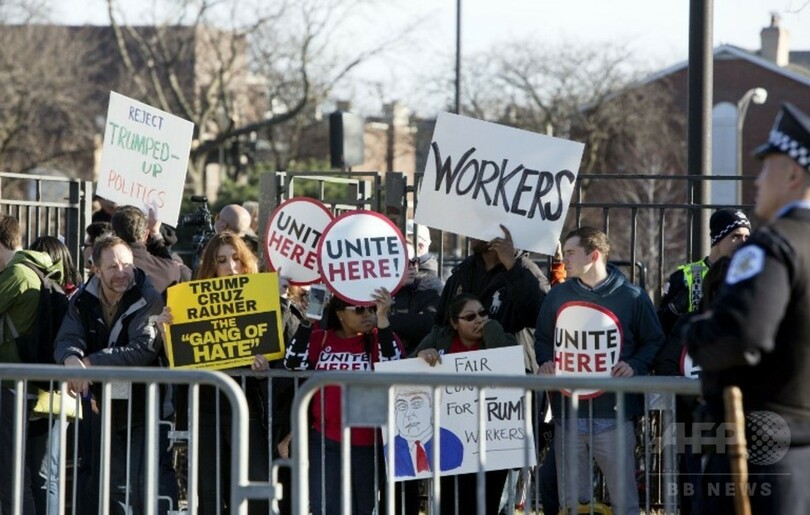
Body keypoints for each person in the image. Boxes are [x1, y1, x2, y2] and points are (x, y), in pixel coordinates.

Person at [684, 102, 810, 515]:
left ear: (793, 173)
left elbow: (740, 334)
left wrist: (697, 331)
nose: (757, 180)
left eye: (767, 166)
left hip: (766, 452)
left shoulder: (773, 247)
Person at [535, 226, 664, 515]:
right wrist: (546, 361)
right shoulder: (557, 296)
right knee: (572, 505)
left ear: (593, 255)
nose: (563, 259)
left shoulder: (632, 297)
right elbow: (543, 338)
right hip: (568, 416)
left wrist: (635, 365)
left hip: (615, 418)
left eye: (570, 253)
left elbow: (654, 340)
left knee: (625, 503)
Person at [155, 231, 271, 514]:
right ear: (211, 266)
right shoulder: (188, 303)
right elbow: (178, 364)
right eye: (222, 260)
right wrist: (166, 333)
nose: (230, 267)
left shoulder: (263, 298)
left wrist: (266, 368)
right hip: (206, 410)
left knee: (252, 491)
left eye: (236, 259)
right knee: (210, 493)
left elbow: (282, 355)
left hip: (248, 410)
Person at [53, 235, 169, 514]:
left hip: (143, 405)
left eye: (126, 265)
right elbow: (67, 337)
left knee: (141, 484)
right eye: (113, 267)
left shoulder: (148, 297)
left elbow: (142, 350)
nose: (122, 272)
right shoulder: (82, 298)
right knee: (103, 480)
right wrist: (71, 360)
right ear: (96, 270)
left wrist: (90, 363)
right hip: (99, 403)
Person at [284, 288, 404, 515]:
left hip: (369, 444)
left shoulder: (382, 337)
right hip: (326, 441)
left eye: (371, 308)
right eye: (360, 309)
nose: (367, 314)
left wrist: (383, 319)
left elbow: (394, 364)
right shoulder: (322, 338)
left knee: (362, 509)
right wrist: (308, 322)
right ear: (340, 314)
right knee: (326, 508)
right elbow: (292, 362)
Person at [414, 292, 518, 514]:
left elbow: (507, 361)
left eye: (482, 313)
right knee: (451, 506)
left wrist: (491, 329)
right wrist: (423, 353)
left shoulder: (501, 337)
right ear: (454, 323)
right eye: (470, 317)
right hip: (450, 445)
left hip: (491, 446)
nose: (479, 320)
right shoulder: (438, 337)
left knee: (484, 506)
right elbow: (410, 367)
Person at [0, 215, 61, 515]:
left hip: (13, 386)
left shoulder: (17, 273)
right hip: (32, 385)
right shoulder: (37, 268)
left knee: (12, 474)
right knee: (37, 475)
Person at [437, 224, 550, 374]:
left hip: (511, 376)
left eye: (479, 225)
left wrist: (512, 266)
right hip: (463, 377)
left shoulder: (526, 270)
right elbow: (441, 322)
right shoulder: (464, 271)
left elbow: (540, 317)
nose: (469, 232)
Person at [26, 235, 81, 515]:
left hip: (47, 396)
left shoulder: (52, 297)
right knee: (47, 475)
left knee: (44, 475)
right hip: (59, 397)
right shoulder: (73, 295)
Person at [658, 209, 751, 335]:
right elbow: (660, 327)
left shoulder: (750, 275)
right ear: (718, 238)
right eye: (736, 236)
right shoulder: (686, 276)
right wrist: (675, 310)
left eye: (747, 237)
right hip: (691, 349)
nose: (743, 242)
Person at [111, 205, 191, 295]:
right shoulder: (172, 269)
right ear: (145, 235)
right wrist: (155, 233)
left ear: (113, 235)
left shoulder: (108, 272)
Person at [389, 386, 463, 477]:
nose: (408, 414)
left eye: (416, 403)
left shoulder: (451, 443)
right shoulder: (389, 451)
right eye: (402, 406)